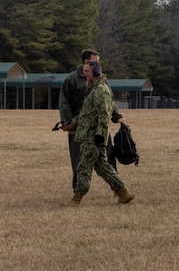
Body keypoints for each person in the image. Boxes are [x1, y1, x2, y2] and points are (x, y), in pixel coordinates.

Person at [67, 59, 135, 205]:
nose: (85, 74)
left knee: (83, 167)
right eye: (84, 71)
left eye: (87, 72)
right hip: (90, 134)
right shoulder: (94, 88)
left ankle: (77, 198)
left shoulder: (100, 90)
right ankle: (123, 193)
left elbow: (104, 114)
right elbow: (88, 112)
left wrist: (99, 134)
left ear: (96, 72)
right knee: (102, 167)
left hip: (93, 137)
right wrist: (72, 122)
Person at [58, 49, 125, 191]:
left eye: (98, 62)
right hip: (80, 127)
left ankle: (119, 189)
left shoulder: (100, 80)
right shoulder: (72, 79)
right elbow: (64, 102)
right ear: (86, 62)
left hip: (99, 127)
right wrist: (68, 123)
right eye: (94, 62)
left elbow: (108, 101)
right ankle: (78, 189)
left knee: (107, 157)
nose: (97, 65)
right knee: (79, 159)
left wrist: (117, 117)